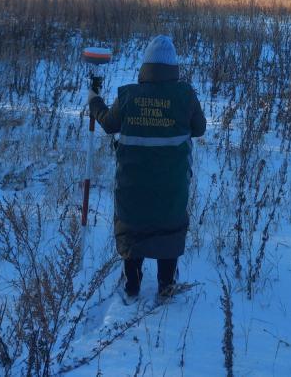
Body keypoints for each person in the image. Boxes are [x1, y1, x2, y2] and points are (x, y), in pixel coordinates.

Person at [88, 35, 206, 298]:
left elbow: (108, 123)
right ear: (173, 67)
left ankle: (133, 282)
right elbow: (200, 128)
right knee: (169, 226)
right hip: (172, 185)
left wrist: (94, 100)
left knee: (133, 225)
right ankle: (166, 284)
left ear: (145, 66)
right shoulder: (185, 95)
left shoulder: (129, 95)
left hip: (132, 185)